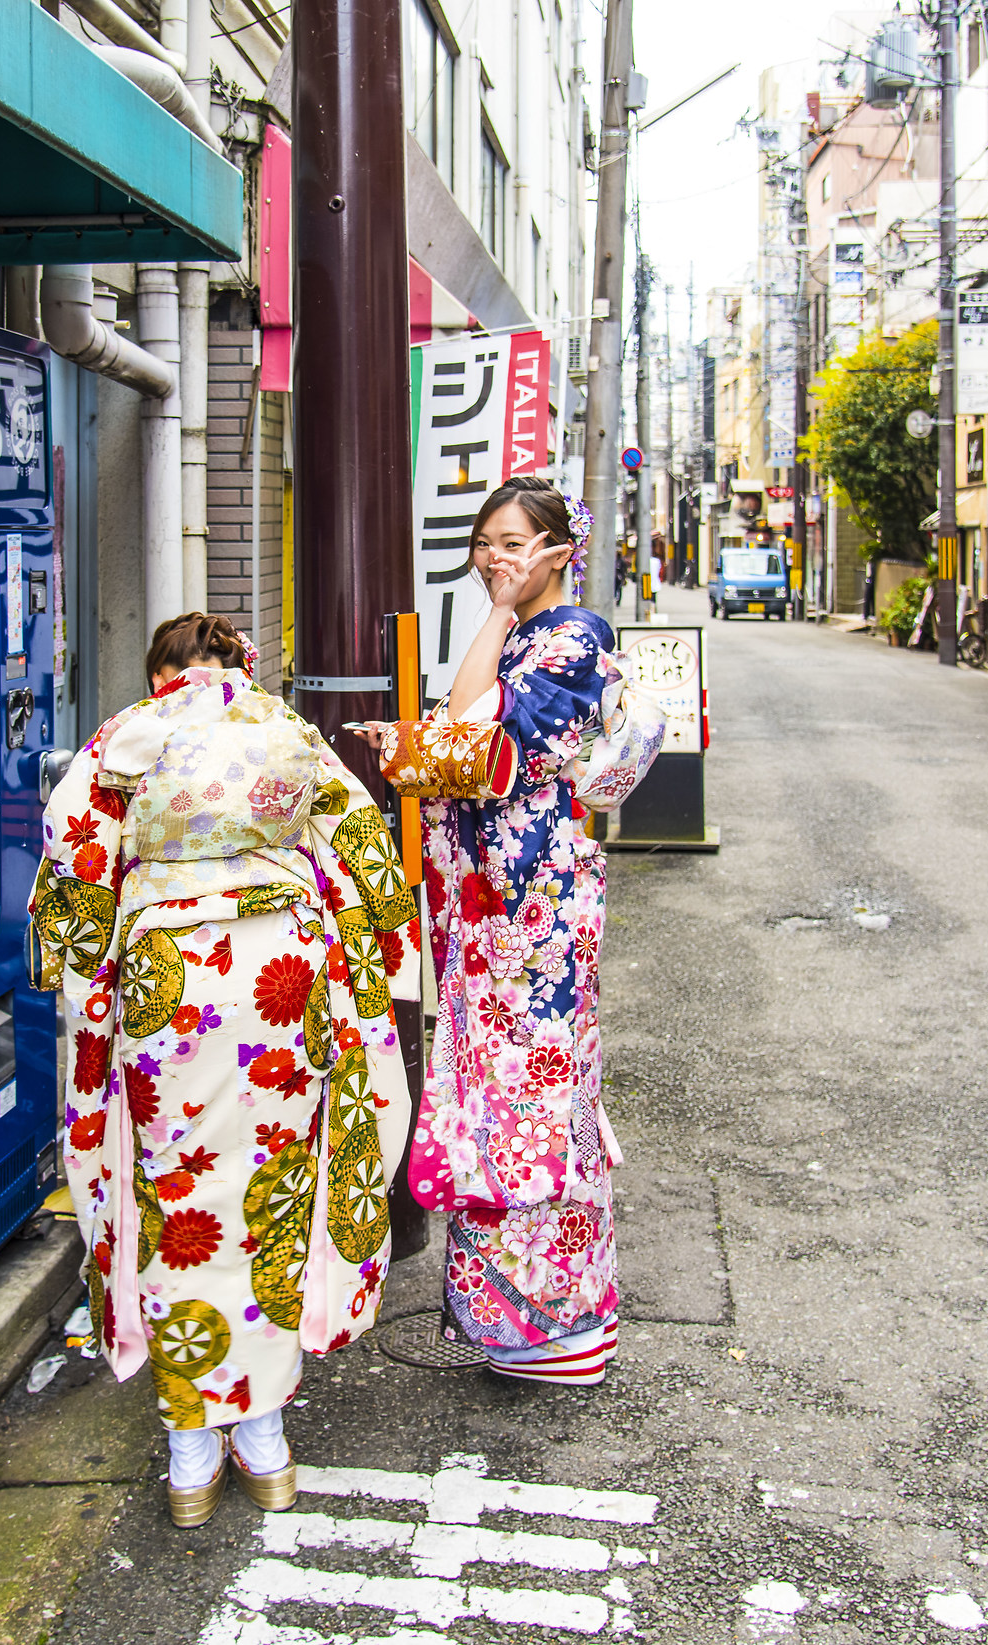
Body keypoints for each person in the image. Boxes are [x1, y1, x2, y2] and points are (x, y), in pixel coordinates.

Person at [31, 613, 419, 1530]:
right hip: (280, 979)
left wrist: (88, 965)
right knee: (273, 1197)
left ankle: (191, 1446)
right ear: (240, 669)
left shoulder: (125, 733)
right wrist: (374, 962)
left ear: (162, 674)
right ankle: (267, 1437)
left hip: (173, 994)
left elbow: (74, 858)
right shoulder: (288, 731)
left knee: (181, 1204)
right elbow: (366, 862)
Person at [365, 475, 666, 1385]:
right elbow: (461, 728)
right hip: (491, 905)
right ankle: (507, 1321)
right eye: (486, 543)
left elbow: (469, 737)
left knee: (537, 1094)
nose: (497, 558)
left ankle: (562, 1325)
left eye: (515, 541)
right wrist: (490, 625)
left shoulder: (573, 638)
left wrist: (429, 731)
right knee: (492, 1091)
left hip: (532, 910)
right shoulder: (525, 634)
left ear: (559, 551)